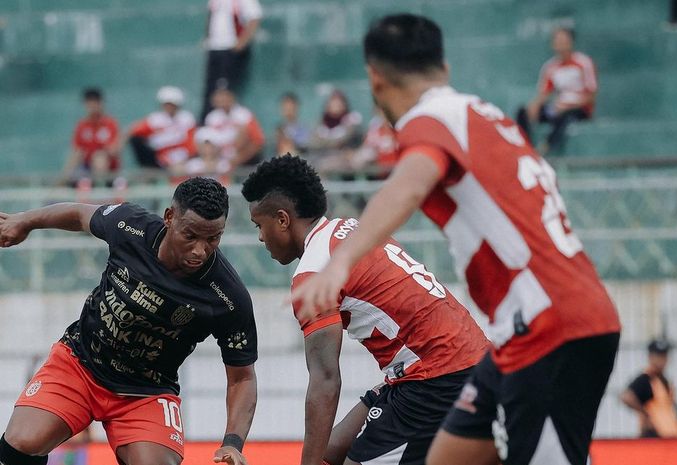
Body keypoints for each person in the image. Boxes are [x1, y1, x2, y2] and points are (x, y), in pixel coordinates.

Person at [291, 14, 621, 465]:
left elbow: (408, 185)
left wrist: (339, 262)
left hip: (548, 326)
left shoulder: (428, 121)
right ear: (443, 65)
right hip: (531, 325)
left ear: (375, 77)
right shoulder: (481, 113)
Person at [242, 155, 489, 465]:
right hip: (466, 360)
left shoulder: (313, 273)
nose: (260, 237)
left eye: (259, 226)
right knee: (329, 452)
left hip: (436, 378)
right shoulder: (352, 228)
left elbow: (325, 381)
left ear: (282, 219)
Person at [0, 177, 258, 465]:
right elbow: (78, 213)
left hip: (145, 391)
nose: (200, 250)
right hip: (80, 362)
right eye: (191, 236)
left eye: (213, 239)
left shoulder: (228, 296)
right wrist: (24, 221)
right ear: (169, 218)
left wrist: (233, 443)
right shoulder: (129, 225)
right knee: (20, 443)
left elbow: (242, 378)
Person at [515, 27, 597, 155]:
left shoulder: (584, 63)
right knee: (523, 111)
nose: (560, 44)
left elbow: (591, 96)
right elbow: (545, 93)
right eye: (557, 40)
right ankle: (525, 147)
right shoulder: (550, 67)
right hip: (557, 108)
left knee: (564, 117)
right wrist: (535, 105)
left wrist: (568, 106)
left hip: (578, 109)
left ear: (571, 42)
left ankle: (545, 147)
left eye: (564, 40)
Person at [200, 0, 263, 122]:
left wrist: (241, 43)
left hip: (231, 48)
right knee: (211, 89)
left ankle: (229, 122)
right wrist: (208, 39)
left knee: (226, 88)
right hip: (214, 48)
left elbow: (254, 18)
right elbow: (210, 17)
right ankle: (208, 122)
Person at [620, 339, 677, 438]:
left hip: (669, 435)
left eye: (664, 356)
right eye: (658, 356)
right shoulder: (645, 379)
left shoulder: (664, 380)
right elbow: (626, 397)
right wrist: (646, 414)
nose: (661, 360)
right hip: (653, 436)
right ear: (650, 357)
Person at [62, 87, 120, 187]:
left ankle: (101, 187)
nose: (92, 106)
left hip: (109, 168)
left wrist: (101, 152)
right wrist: (65, 175)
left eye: (95, 102)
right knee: (73, 174)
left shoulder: (110, 124)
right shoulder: (82, 126)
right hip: (87, 169)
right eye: (89, 102)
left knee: (99, 158)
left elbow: (115, 150)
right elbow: (77, 152)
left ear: (101, 103)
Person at [129, 86, 197, 171]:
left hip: (182, 157)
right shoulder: (155, 119)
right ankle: (148, 169)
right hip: (159, 158)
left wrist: (185, 159)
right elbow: (134, 131)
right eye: (166, 104)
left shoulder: (187, 118)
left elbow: (191, 143)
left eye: (172, 104)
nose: (169, 107)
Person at [202, 86, 265, 171]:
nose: (222, 98)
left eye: (225, 95)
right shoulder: (211, 117)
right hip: (218, 159)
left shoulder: (244, 114)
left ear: (232, 96)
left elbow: (258, 141)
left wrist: (239, 158)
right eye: (219, 95)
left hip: (243, 159)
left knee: (243, 130)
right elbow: (207, 143)